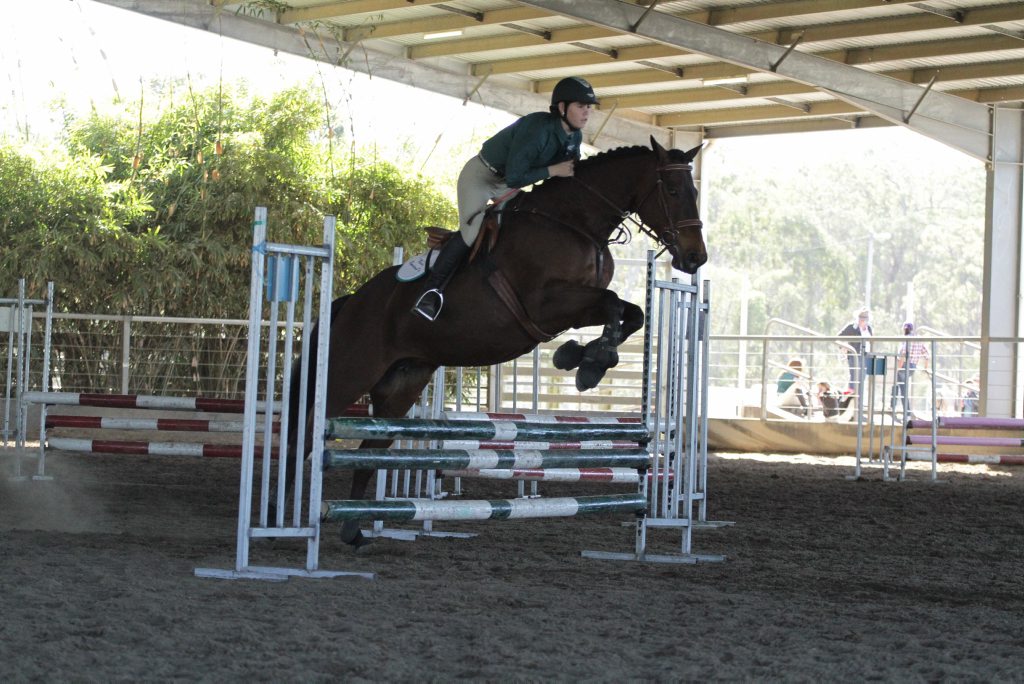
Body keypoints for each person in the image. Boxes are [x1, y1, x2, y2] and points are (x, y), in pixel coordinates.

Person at [412, 76, 599, 321]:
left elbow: (567, 176)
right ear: (562, 108)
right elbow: (515, 177)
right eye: (580, 106)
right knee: (472, 231)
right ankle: (430, 292)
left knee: (529, 218)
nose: (586, 113)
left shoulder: (574, 136)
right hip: (481, 177)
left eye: (589, 107)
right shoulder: (537, 129)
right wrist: (553, 171)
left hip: (506, 183)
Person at [891, 321, 930, 416]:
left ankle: (902, 409)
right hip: (913, 366)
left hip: (904, 365)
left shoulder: (906, 339)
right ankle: (895, 406)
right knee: (900, 385)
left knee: (899, 386)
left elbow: (903, 354)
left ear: (904, 329)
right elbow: (927, 354)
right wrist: (926, 367)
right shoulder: (918, 340)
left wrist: (898, 368)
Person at [837, 308, 872, 392]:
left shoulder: (869, 329)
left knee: (862, 378)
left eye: (865, 317)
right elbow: (839, 337)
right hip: (854, 355)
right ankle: (851, 398)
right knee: (854, 376)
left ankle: (859, 400)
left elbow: (871, 341)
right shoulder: (852, 327)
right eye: (861, 317)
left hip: (865, 355)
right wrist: (844, 347)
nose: (862, 319)